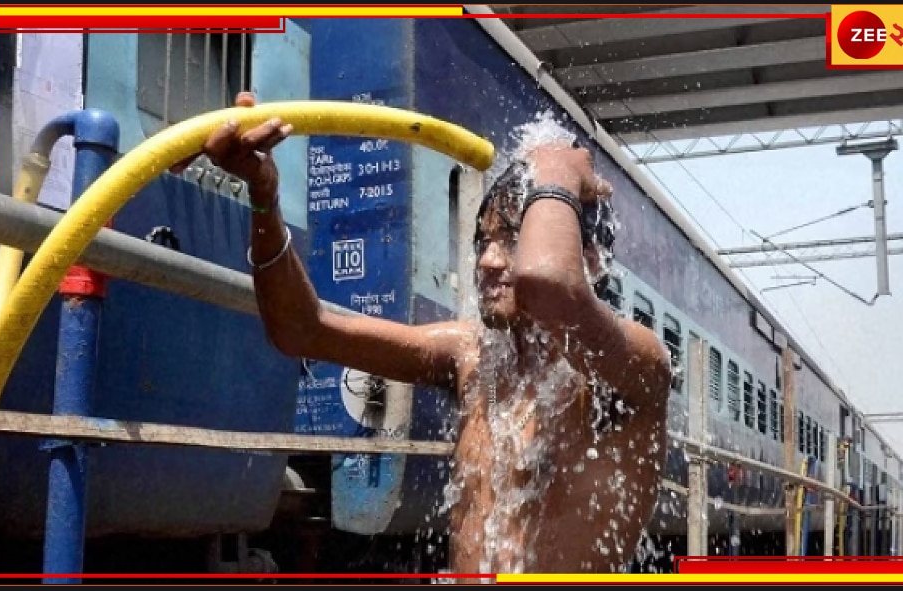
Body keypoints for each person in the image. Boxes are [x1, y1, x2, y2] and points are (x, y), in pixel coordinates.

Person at [175, 92, 672, 576]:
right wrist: (264, 196)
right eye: (482, 241)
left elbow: (550, 284)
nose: (488, 260)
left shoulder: (634, 367)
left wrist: (558, 171)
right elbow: (302, 330)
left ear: (590, 259)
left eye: (513, 239)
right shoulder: (473, 355)